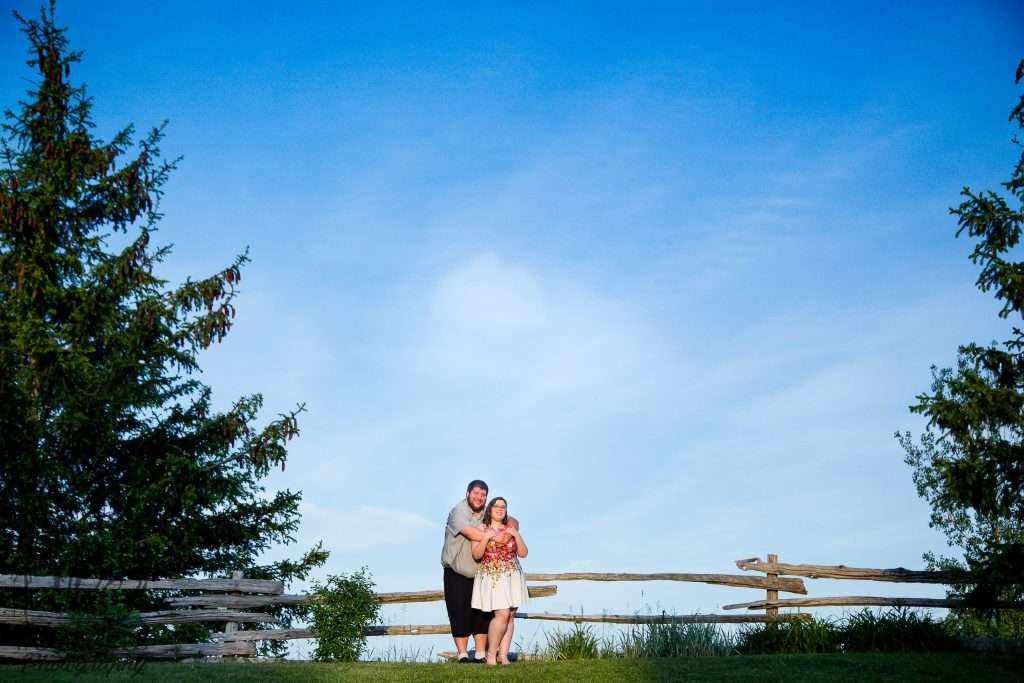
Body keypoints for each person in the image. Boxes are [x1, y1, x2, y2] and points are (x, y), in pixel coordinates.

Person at [441, 480, 517, 663]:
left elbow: (513, 521)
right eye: (476, 493)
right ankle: (463, 654)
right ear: (467, 493)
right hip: (457, 571)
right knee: (459, 612)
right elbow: (471, 532)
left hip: (482, 573)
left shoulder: (487, 511)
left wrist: (509, 533)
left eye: (483, 495)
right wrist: (498, 537)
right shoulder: (458, 512)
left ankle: (480, 653)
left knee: (483, 613)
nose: (479, 497)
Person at [470, 496, 528, 665]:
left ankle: (503, 655)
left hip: (513, 575)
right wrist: (486, 538)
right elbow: (476, 554)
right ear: (490, 509)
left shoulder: (510, 529)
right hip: (494, 575)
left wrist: (516, 535)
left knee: (510, 615)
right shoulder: (481, 529)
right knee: (502, 614)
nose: (500, 509)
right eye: (496, 506)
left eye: (503, 506)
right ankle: (490, 654)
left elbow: (523, 553)